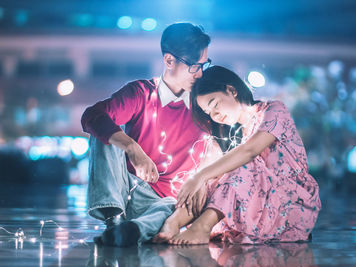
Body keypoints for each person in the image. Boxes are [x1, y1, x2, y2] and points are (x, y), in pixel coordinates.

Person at [153, 66, 321, 245]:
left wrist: (201, 176)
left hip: (291, 203)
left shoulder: (273, 110)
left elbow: (250, 152)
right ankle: (173, 223)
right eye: (209, 113)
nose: (215, 115)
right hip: (257, 203)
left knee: (241, 163)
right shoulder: (231, 134)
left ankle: (202, 227)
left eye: (215, 104)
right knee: (209, 178)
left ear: (231, 90)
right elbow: (209, 164)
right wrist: (201, 180)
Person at [81, 22, 211, 247]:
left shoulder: (206, 104)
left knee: (173, 209)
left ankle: (132, 231)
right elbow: (91, 116)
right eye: (194, 66)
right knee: (105, 130)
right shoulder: (141, 93)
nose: (200, 74)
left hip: (167, 202)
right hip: (126, 190)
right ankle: (115, 218)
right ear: (169, 60)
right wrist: (132, 147)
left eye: (204, 65)